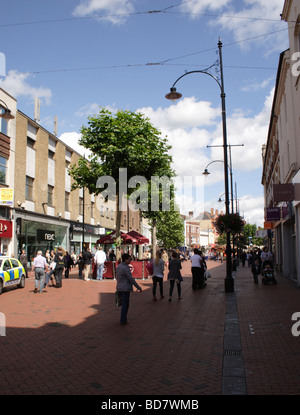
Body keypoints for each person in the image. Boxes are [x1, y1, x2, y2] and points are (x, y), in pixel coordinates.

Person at [116, 253, 142, 325]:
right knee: (125, 304)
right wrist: (137, 286)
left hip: (119, 287)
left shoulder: (118, 266)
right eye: (129, 259)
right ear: (125, 260)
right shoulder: (126, 268)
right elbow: (131, 278)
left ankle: (123, 319)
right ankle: (123, 319)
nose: (130, 261)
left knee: (122, 303)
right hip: (125, 288)